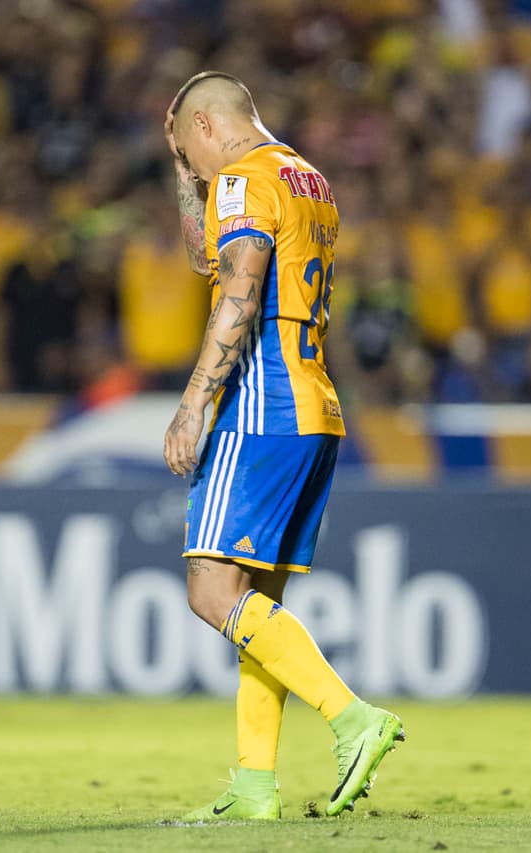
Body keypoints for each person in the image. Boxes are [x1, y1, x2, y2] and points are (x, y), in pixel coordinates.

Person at [161, 72, 404, 822]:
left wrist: (195, 401)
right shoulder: (307, 179)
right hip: (314, 405)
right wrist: (185, 178)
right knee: (255, 608)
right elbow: (210, 257)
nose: (194, 170)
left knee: (211, 591)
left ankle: (352, 717)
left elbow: (237, 286)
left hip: (260, 405)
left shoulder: (240, 178)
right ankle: (253, 785)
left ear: (207, 125)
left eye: (187, 150)